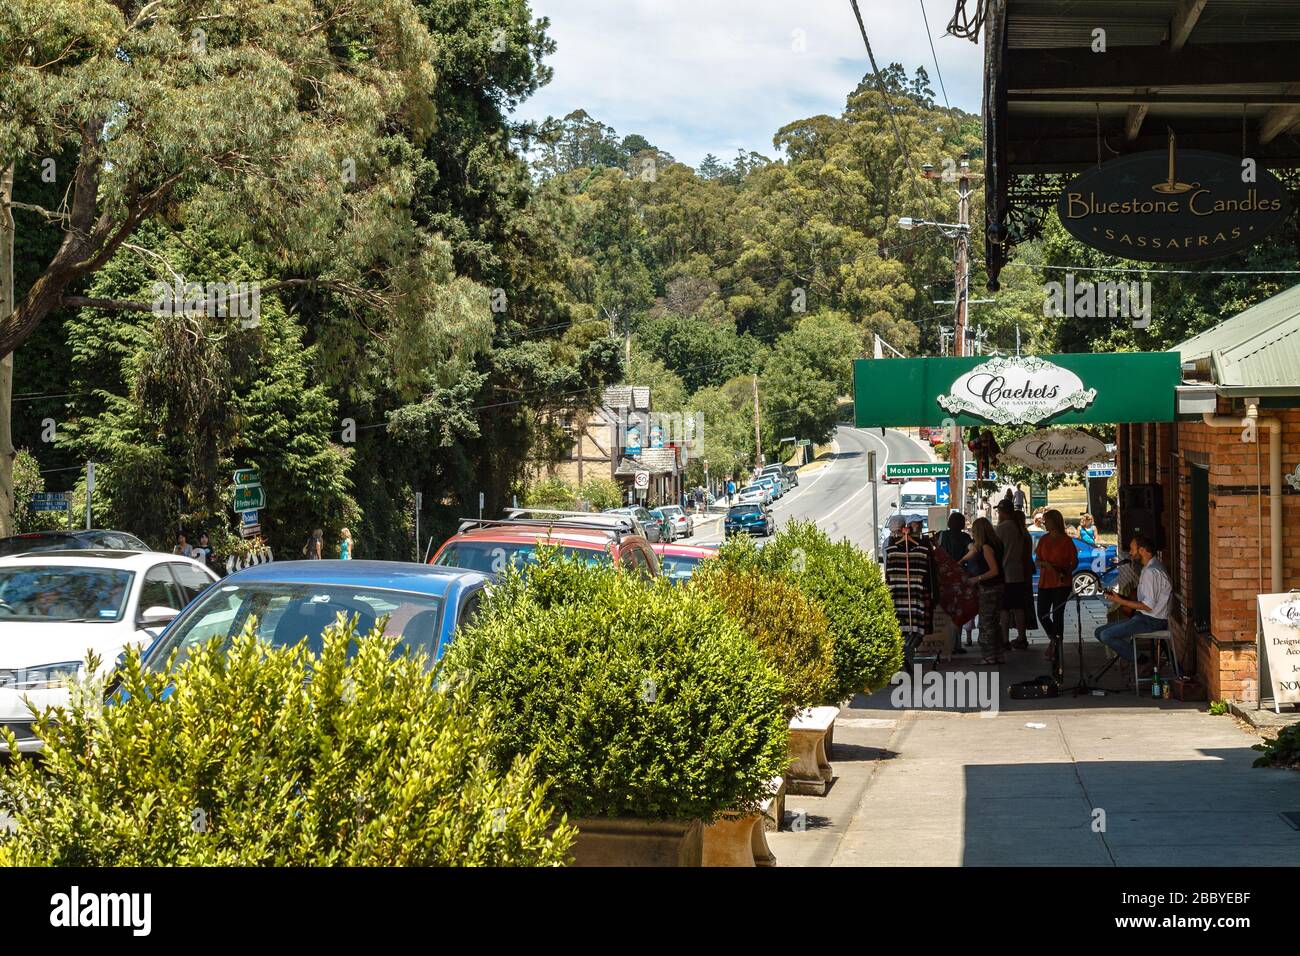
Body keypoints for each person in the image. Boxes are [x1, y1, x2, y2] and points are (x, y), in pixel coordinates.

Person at [1094, 534, 1171, 669]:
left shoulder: (1151, 572)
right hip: (1143, 617)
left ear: (1142, 550)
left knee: (1106, 635)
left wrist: (1121, 601)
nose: (1130, 553)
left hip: (1152, 621)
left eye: (1132, 549)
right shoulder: (1151, 567)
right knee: (1099, 631)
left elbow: (1147, 606)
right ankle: (1138, 657)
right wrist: (1119, 598)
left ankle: (1144, 661)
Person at [884, 514, 935, 667]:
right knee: (914, 629)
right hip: (914, 599)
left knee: (907, 628)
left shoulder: (895, 550)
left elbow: (888, 577)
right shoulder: (895, 549)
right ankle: (906, 653)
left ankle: (906, 654)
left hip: (902, 599)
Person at [1035, 510, 1076, 663]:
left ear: (1055, 521)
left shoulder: (1066, 541)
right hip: (1045, 582)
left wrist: (1065, 571)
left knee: (1058, 615)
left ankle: (1057, 648)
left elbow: (1074, 561)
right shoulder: (1044, 540)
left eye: (1047, 520)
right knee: (1042, 613)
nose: (1045, 523)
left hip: (1061, 583)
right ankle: (1054, 640)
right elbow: (1037, 560)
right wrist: (1044, 564)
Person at [965, 517, 1006, 664]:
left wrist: (976, 579)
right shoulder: (997, 543)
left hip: (989, 588)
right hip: (1000, 586)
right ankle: (998, 654)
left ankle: (988, 656)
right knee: (995, 622)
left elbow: (994, 570)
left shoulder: (987, 547)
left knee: (986, 623)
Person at [936, 512, 974, 656]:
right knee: (958, 611)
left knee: (945, 611)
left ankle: (946, 644)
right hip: (959, 578)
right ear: (963, 524)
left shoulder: (941, 535)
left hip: (943, 577)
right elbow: (973, 550)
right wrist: (962, 561)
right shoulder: (965, 537)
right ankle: (957, 644)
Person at [995, 499, 1029, 650]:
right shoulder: (1019, 528)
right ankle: (1022, 638)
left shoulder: (1000, 529)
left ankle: (1004, 640)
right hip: (1018, 572)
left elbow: (995, 550)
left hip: (1004, 573)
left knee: (1004, 609)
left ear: (1002, 512)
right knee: (1018, 607)